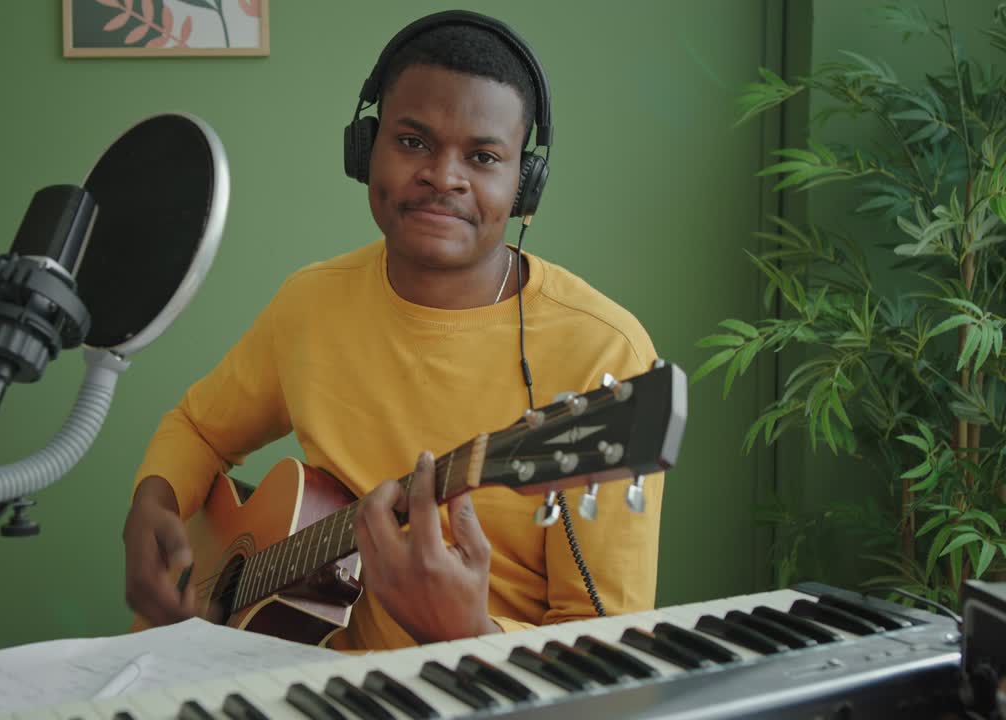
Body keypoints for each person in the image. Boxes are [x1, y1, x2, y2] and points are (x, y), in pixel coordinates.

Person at [122, 10, 663, 652]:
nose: (444, 175)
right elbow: (199, 428)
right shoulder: (312, 302)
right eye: (413, 142)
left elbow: (608, 650)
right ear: (364, 149)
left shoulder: (604, 354)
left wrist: (467, 632)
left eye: (484, 156)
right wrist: (151, 505)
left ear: (526, 184)